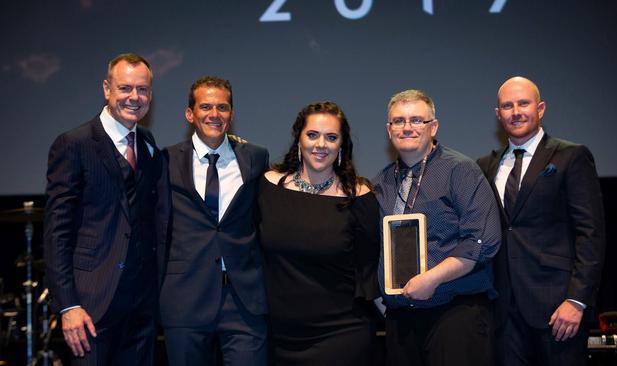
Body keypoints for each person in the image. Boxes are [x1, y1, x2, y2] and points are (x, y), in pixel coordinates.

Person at [44, 53, 168, 365]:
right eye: (125, 88)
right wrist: (68, 305)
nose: (134, 97)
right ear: (106, 89)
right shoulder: (74, 144)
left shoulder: (148, 143)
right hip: (91, 305)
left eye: (143, 90)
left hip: (141, 307)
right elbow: (57, 232)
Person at [476, 76, 606, 366]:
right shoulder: (485, 165)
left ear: (541, 108)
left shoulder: (570, 156)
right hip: (504, 312)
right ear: (498, 114)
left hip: (558, 308)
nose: (516, 111)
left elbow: (591, 233)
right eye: (507, 106)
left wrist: (577, 300)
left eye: (523, 103)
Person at [373, 89, 501, 366]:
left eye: (417, 120)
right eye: (399, 121)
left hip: (454, 316)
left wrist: (432, 279)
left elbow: (482, 240)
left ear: (434, 126)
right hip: (401, 321)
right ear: (388, 129)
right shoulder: (382, 183)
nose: (407, 127)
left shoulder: (460, 171)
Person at [257, 101, 380, 365]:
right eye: (312, 134)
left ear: (342, 145)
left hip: (342, 334)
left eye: (331, 137)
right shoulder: (267, 187)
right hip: (278, 336)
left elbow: (369, 267)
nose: (320, 144)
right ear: (298, 139)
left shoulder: (360, 197)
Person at [159, 76, 269, 366]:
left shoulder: (256, 157)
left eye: (222, 107)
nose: (214, 114)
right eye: (206, 106)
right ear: (190, 113)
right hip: (185, 298)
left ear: (231, 114)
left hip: (243, 298)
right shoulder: (165, 160)